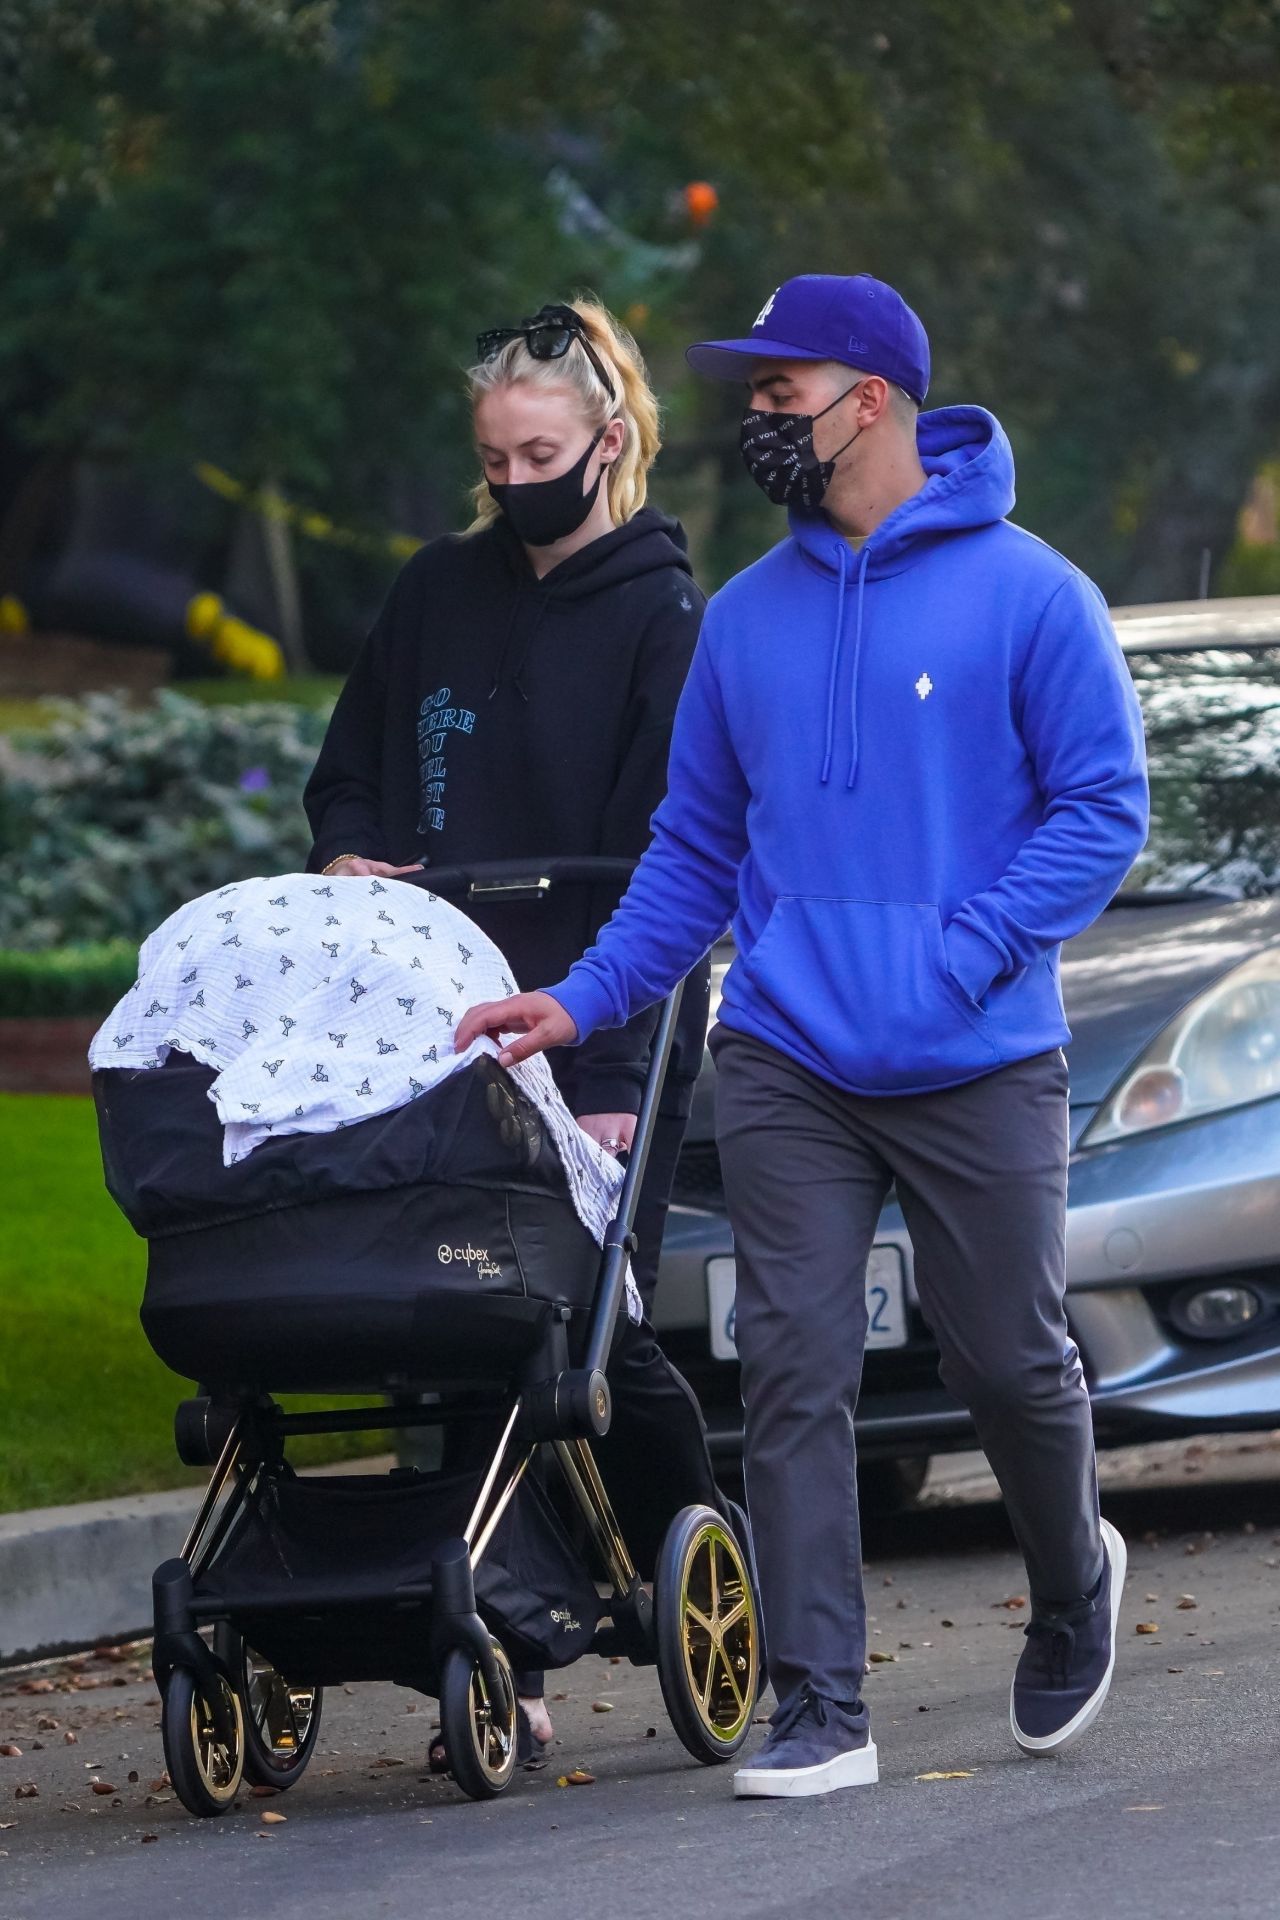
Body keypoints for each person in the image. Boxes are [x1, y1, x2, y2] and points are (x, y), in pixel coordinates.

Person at [457, 273, 1150, 1798]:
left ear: (876, 401)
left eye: (787, 389)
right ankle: (821, 1704)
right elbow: (695, 852)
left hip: (976, 1051)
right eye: (757, 391)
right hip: (787, 1055)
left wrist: (971, 946)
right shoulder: (748, 622)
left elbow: (1105, 809)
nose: (761, 414)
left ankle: (1070, 1582)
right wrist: (580, 999)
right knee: (790, 1369)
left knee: (1011, 1361)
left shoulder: (1033, 593)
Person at [303, 298, 720, 1764]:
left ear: (609, 444)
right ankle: (498, 1648)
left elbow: (671, 863)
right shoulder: (435, 593)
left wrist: (603, 1070)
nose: (513, 477)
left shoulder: (668, 621)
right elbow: (345, 773)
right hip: (440, 1021)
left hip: (603, 1023)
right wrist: (353, 852)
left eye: (537, 450)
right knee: (448, 1327)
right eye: (493, 455)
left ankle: (702, 1548)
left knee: (580, 1339)